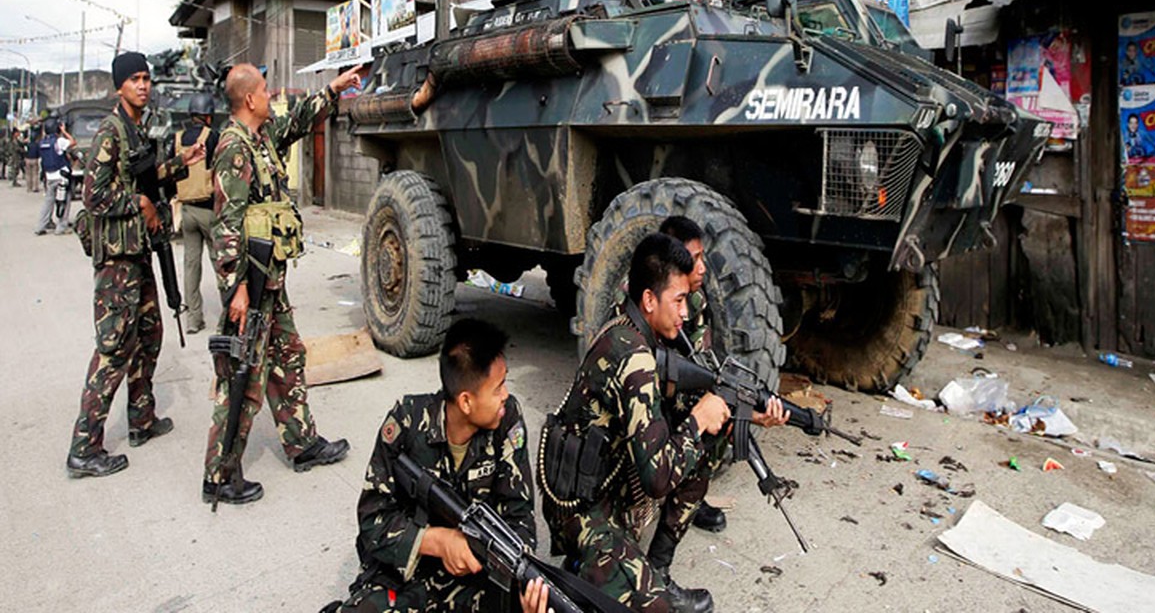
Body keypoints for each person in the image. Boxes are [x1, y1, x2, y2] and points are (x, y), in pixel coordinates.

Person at [541, 233, 787, 613]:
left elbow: (670, 408)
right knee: (656, 609)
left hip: (602, 482)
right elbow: (657, 478)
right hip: (583, 510)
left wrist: (742, 414)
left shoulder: (629, 327)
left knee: (701, 451)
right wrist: (697, 420)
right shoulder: (633, 355)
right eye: (678, 300)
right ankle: (590, 565)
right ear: (649, 300)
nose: (686, 312)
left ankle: (652, 569)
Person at [201, 63, 364, 505]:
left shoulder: (260, 139)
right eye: (265, 90)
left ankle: (301, 442)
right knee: (244, 374)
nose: (272, 95)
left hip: (268, 277)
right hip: (249, 283)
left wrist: (334, 88)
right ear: (249, 99)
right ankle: (219, 474)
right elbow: (227, 223)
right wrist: (235, 288)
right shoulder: (234, 148)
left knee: (288, 354)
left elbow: (297, 121)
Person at [329, 318, 542, 612]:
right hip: (407, 574)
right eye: (498, 388)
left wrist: (518, 581)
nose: (505, 395)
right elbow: (372, 522)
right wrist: (438, 541)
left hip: (475, 578)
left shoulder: (507, 420)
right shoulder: (406, 423)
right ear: (466, 402)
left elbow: (520, 516)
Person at [66, 52, 206, 479]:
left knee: (149, 335)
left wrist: (182, 162)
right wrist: (140, 203)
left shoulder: (136, 129)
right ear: (119, 87)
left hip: (139, 253)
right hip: (117, 261)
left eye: (147, 78)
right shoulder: (111, 131)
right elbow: (95, 195)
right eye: (135, 80)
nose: (143, 85)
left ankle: (141, 419)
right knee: (113, 350)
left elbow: (142, 175)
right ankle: (84, 447)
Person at [656, 216, 724, 535]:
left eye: (701, 257)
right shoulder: (644, 300)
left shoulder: (695, 300)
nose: (702, 268)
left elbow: (698, 356)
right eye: (694, 259)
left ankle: (688, 497)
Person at [169, 92, 221, 333]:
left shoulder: (177, 139)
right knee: (221, 263)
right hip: (209, 211)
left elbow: (170, 172)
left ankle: (193, 319)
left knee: (191, 265)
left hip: (186, 210)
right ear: (208, 116)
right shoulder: (212, 137)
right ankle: (229, 315)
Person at [34, 117, 77, 235]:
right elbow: (73, 142)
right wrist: (64, 131)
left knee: (48, 202)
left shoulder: (42, 143)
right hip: (62, 176)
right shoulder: (59, 141)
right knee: (64, 201)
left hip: (49, 176)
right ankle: (61, 227)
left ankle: (40, 226)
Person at [25, 121, 40, 192]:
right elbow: (39, 152)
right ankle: (35, 187)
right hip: (35, 159)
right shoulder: (37, 145)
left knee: (28, 174)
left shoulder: (28, 145)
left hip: (28, 159)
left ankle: (29, 187)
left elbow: (25, 151)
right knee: (35, 174)